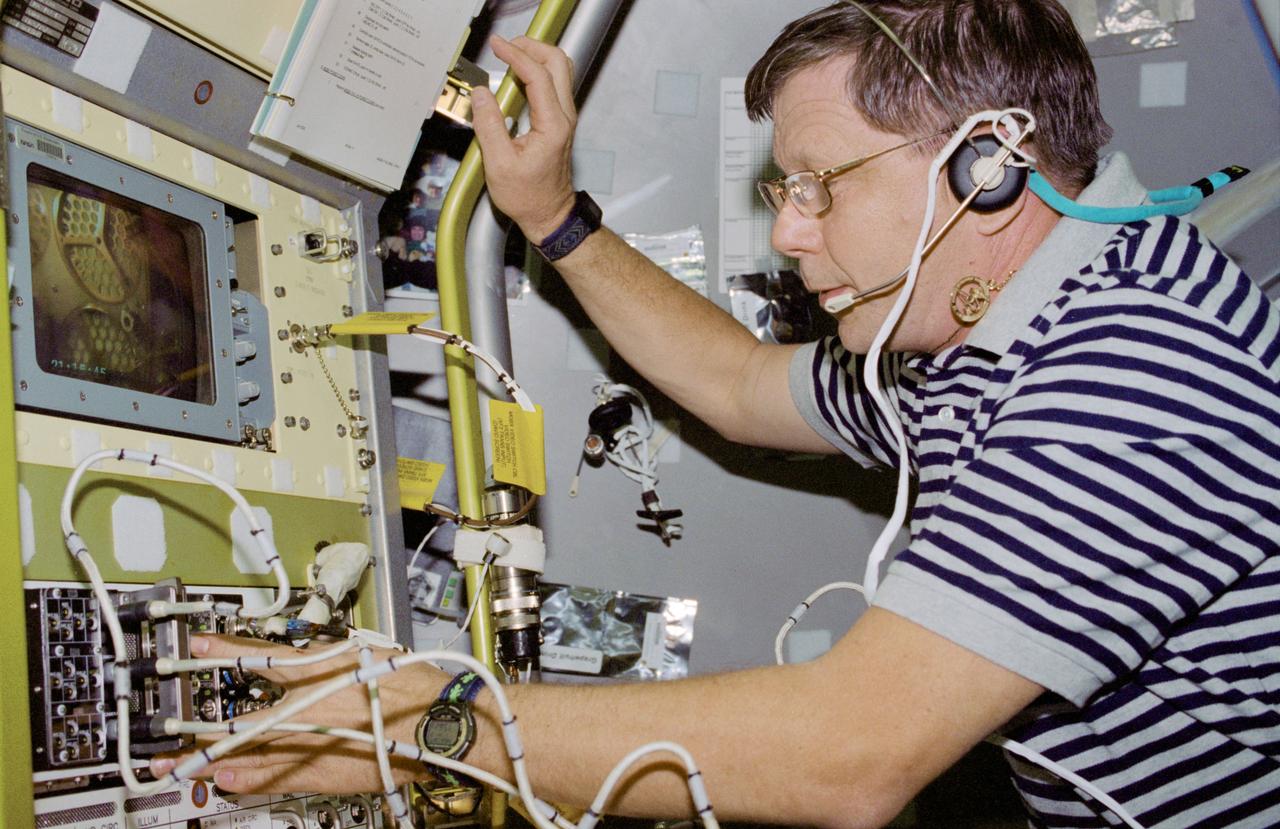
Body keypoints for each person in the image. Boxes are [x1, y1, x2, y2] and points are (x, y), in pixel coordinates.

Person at [154, 2, 1280, 826]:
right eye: (780, 190)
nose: (790, 235)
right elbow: (740, 386)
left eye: (820, 184)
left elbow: (849, 754)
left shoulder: (1132, 364)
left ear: (986, 166)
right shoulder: (977, 325)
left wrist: (416, 723)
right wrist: (552, 219)